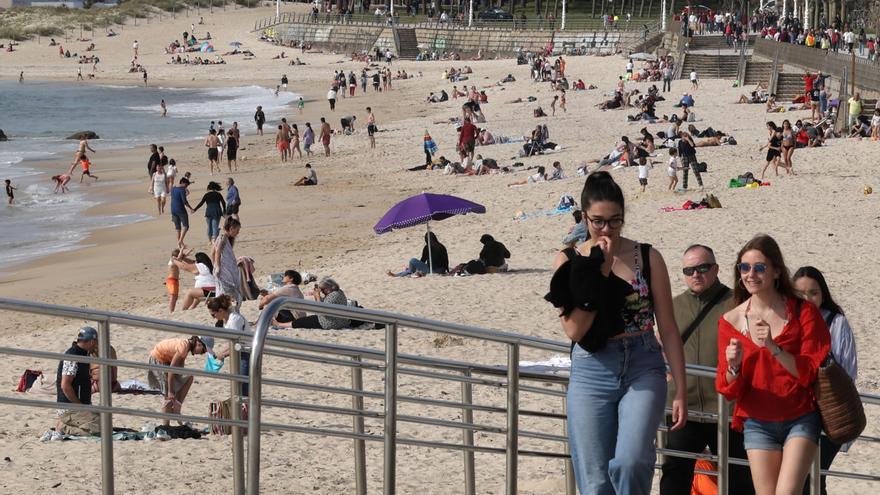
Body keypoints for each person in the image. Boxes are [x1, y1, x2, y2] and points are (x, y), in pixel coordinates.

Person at [548, 171, 688, 495]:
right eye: (598, 221)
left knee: (631, 462)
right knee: (595, 480)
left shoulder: (648, 257)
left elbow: (667, 326)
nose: (607, 229)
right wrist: (603, 269)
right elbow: (574, 328)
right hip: (592, 367)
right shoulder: (568, 260)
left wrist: (681, 388)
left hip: (642, 362)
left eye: (615, 221)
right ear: (584, 217)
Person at [716, 235, 831, 495]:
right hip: (757, 420)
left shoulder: (803, 312)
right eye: (744, 268)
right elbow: (726, 387)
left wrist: (773, 347)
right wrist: (734, 366)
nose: (751, 274)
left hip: (800, 416)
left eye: (760, 267)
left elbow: (809, 371)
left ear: (777, 271)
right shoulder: (730, 320)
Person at [660, 245, 755, 495]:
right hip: (685, 408)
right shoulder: (674, 306)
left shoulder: (737, 303)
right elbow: (660, 344)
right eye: (689, 270)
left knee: (739, 478)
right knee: (674, 474)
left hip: (728, 408)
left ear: (716, 269)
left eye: (703, 268)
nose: (696, 274)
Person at [793, 266, 858, 495]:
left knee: (813, 478)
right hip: (793, 416)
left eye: (814, 292)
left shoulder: (836, 323)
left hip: (827, 415)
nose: (808, 299)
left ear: (823, 294)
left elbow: (848, 372)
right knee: (801, 480)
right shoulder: (786, 321)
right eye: (800, 294)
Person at [148, 336, 211, 425]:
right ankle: (166, 426)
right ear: (199, 344)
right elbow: (172, 369)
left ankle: (177, 406)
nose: (201, 354)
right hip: (158, 359)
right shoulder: (183, 347)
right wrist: (171, 390)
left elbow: (179, 368)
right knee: (168, 395)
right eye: (203, 351)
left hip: (166, 361)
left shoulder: (186, 347)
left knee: (189, 377)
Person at [54, 327, 99, 439]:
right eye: (96, 342)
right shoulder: (73, 356)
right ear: (92, 341)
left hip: (79, 406)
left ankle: (67, 424)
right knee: (98, 429)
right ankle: (63, 427)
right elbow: (65, 385)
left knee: (103, 421)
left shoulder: (83, 354)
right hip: (71, 408)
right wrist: (79, 406)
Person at [206, 295, 251, 395]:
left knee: (243, 385)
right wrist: (221, 354)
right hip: (239, 351)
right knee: (237, 384)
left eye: (213, 315)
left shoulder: (234, 320)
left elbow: (236, 343)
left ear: (221, 311)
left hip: (245, 352)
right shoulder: (227, 319)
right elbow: (232, 342)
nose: (214, 318)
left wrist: (223, 355)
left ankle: (245, 408)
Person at [285, 277, 351, 329]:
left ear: (328, 288)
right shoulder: (339, 292)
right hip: (341, 321)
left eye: (322, 289)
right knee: (305, 320)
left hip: (329, 323)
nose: (322, 291)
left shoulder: (333, 295)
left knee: (300, 322)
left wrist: (318, 296)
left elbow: (322, 310)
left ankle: (279, 324)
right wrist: (316, 296)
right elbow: (325, 304)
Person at [212, 217, 242, 309]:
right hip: (224, 271)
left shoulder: (227, 238)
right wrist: (217, 266)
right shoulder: (223, 237)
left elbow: (213, 252)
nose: (238, 232)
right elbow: (217, 252)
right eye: (237, 230)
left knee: (224, 293)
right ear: (231, 228)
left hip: (227, 269)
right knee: (228, 294)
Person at [170, 178, 194, 248]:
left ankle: (180, 244)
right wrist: (191, 208)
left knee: (178, 228)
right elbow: (184, 201)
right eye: (186, 185)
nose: (186, 187)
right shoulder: (182, 190)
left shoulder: (173, 188)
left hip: (173, 209)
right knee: (186, 226)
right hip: (180, 209)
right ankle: (180, 241)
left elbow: (175, 197)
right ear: (183, 183)